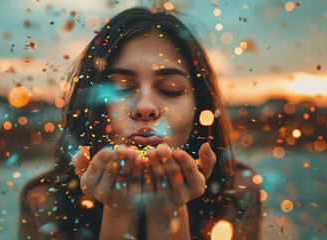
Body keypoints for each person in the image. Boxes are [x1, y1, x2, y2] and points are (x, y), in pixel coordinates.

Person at [18, 6, 261, 240]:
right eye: (122, 88)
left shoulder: (237, 192)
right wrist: (119, 210)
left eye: (170, 89)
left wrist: (168, 211)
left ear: (201, 107)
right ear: (91, 105)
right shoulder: (44, 201)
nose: (145, 107)